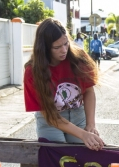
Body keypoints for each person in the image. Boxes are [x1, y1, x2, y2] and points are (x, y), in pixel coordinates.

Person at [23, 19, 105, 151]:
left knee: (83, 153)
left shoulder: (79, 58)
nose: (64, 50)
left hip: (78, 114)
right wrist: (83, 134)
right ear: (44, 48)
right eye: (57, 47)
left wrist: (90, 125)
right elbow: (50, 116)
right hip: (50, 119)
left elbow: (89, 91)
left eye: (66, 44)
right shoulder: (32, 71)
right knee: (56, 155)